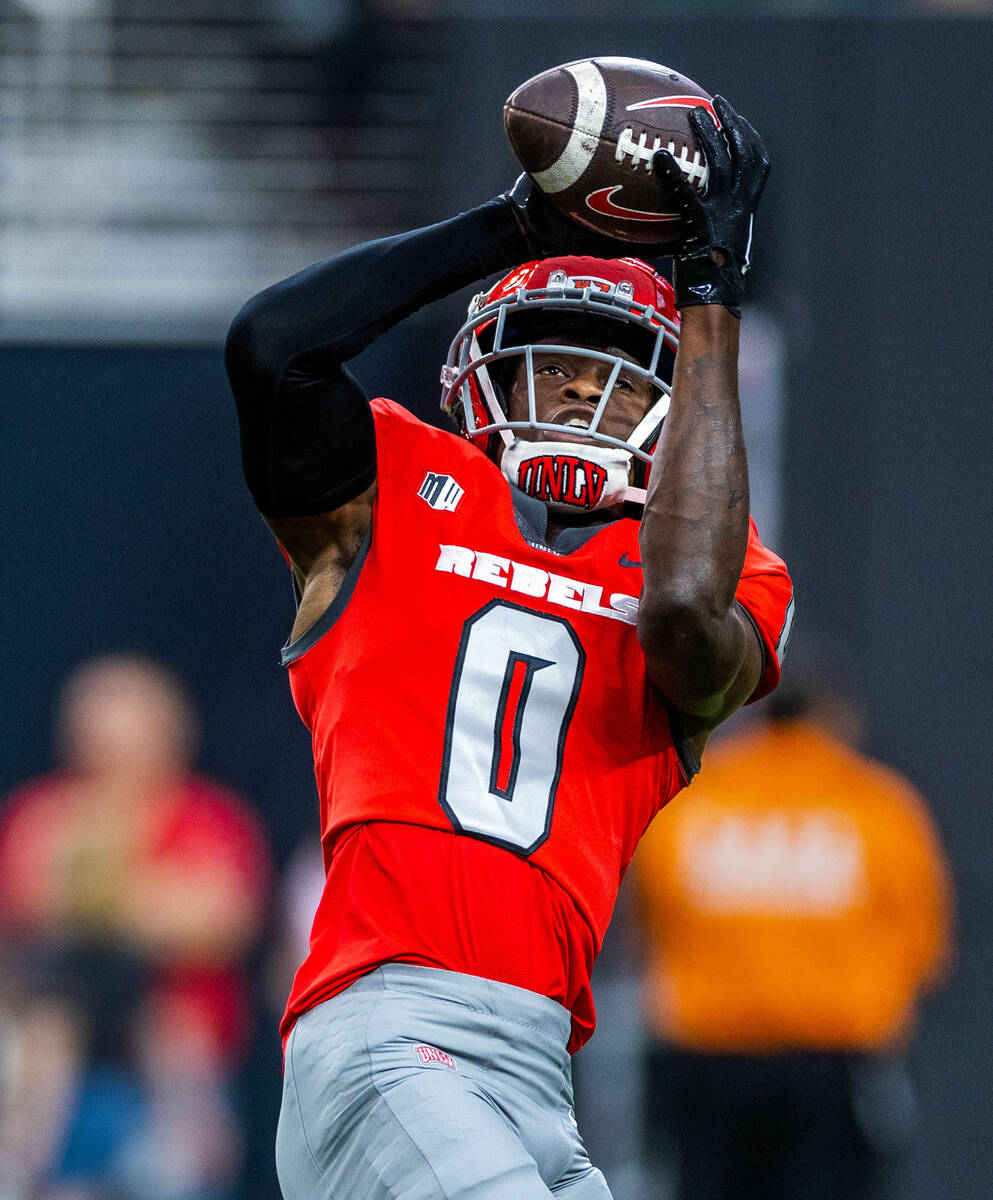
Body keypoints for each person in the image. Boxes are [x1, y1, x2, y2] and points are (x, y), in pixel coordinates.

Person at [225, 91, 793, 1200]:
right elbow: (273, 350)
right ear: (481, 369)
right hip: (389, 1027)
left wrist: (713, 299)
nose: (580, 386)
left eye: (616, 369)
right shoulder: (397, 496)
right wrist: (513, 228)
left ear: (681, 416)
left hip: (538, 1070)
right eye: (554, 359)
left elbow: (680, 612)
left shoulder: (718, 576)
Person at [630, 655, 953, 1200]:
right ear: (833, 718)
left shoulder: (696, 800)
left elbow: (651, 922)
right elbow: (924, 948)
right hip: (830, 1062)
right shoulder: (876, 804)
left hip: (707, 1058)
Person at [0, 655, 272, 1200]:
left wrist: (95, 898)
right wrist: (149, 899)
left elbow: (220, 920)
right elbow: (27, 905)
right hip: (60, 1073)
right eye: (97, 741)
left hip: (175, 1076)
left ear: (169, 739)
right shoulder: (39, 813)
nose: (111, 760)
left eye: (128, 742)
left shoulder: (210, 816)